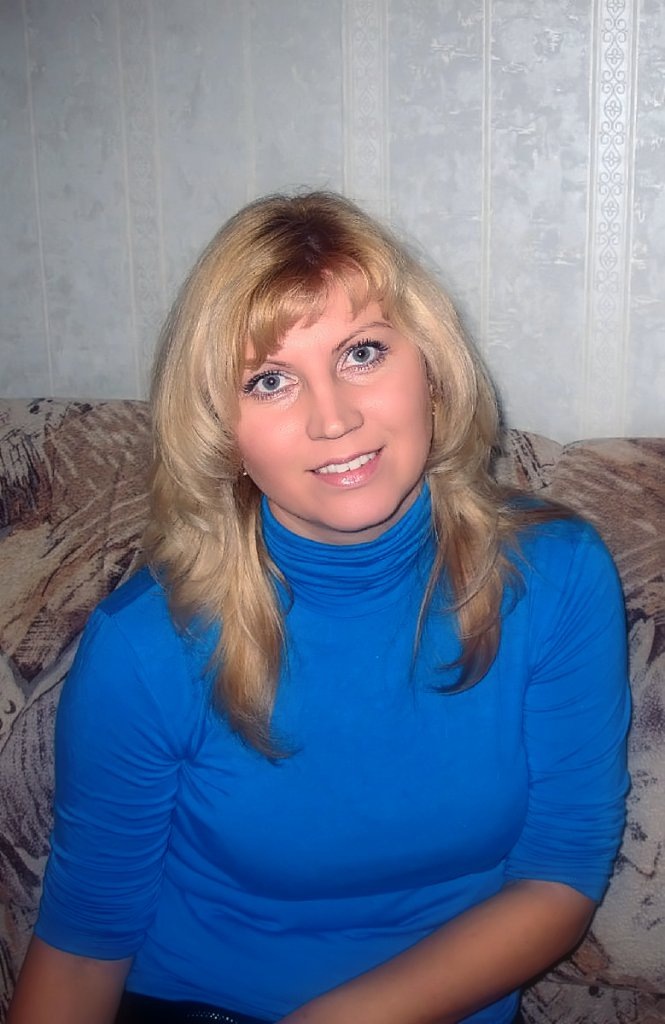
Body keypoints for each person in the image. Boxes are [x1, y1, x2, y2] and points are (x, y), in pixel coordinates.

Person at [8, 191, 630, 1024]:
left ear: (431, 373)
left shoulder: (555, 575)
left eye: (361, 352)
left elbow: (561, 871)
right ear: (221, 430)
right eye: (269, 381)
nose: (332, 418)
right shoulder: (146, 642)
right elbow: (82, 951)